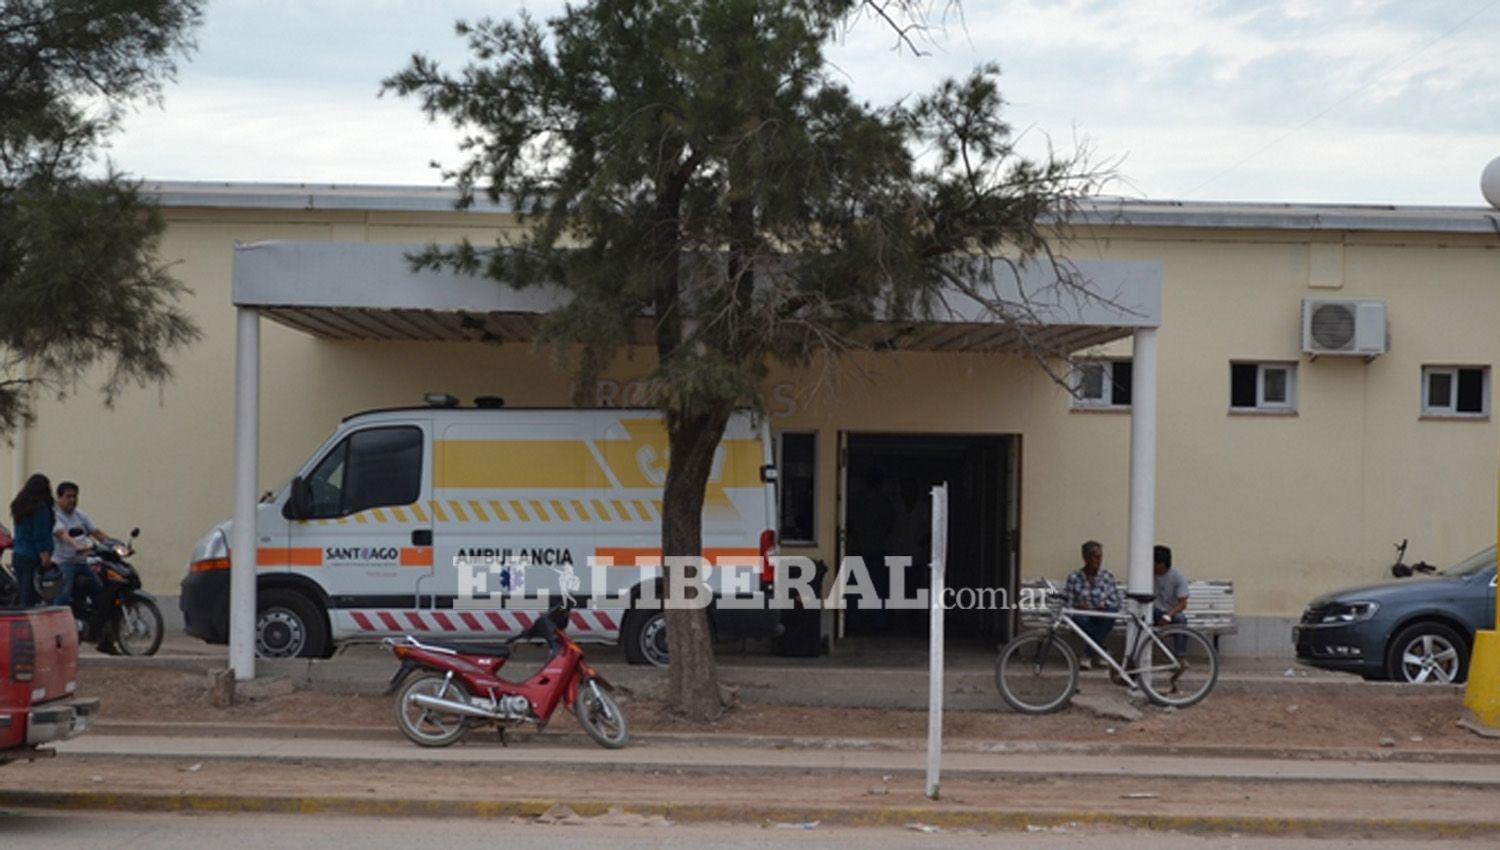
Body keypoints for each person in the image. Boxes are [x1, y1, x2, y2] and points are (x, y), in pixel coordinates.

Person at [51, 481, 112, 620]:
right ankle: (54, 624)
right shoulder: (55, 515)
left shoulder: (80, 514)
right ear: (59, 498)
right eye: (68, 496)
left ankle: (98, 627)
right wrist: (77, 545)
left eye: (75, 496)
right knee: (63, 595)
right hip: (64, 563)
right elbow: (62, 533)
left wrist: (113, 545)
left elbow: (95, 532)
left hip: (82, 562)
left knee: (100, 589)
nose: (72, 500)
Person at [1064, 540, 1120, 668]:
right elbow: (1069, 604)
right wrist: (1079, 607)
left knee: (1111, 613)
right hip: (1084, 616)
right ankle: (1102, 650)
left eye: (1100, 557)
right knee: (1078, 618)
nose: (1098, 561)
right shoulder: (1074, 577)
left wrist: (1103, 604)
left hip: (1102, 614)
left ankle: (1088, 654)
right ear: (1085, 558)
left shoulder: (1107, 576)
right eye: (1095, 557)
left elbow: (1115, 600)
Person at [9, 474, 55, 607]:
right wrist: (45, 556)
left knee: (23, 592)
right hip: (32, 556)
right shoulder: (41, 508)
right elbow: (40, 534)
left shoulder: (19, 506)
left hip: (18, 554)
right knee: (32, 596)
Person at [1152, 544, 1190, 654]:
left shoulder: (1177, 577)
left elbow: (1183, 603)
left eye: (1153, 562)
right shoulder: (1146, 574)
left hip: (1170, 613)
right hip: (1152, 611)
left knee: (1181, 619)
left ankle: (1180, 655)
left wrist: (1168, 615)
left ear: (1161, 563)